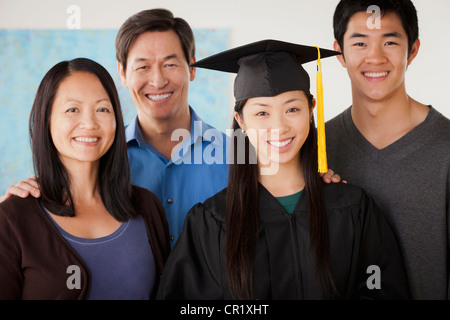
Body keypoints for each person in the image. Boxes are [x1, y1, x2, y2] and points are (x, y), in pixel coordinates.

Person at [0, 8, 341, 247]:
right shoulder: (95, 156)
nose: (158, 79)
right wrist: (31, 194)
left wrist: (318, 182)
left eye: (170, 64)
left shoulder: (240, 151)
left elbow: (284, 192)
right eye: (143, 66)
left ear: (192, 68)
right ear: (122, 72)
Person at [156, 40, 410, 300]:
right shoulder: (212, 222)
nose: (279, 126)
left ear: (311, 109)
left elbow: (382, 290)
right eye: (262, 113)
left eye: (292, 109)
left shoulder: (353, 209)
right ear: (240, 120)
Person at [0, 58, 170, 299]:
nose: (90, 123)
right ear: (46, 120)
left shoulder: (146, 206)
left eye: (102, 109)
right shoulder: (12, 218)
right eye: (72, 110)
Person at [327, 0, 450, 299]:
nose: (375, 57)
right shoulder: (315, 148)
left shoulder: (446, 147)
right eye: (360, 42)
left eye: (390, 41)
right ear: (339, 52)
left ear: (414, 49)